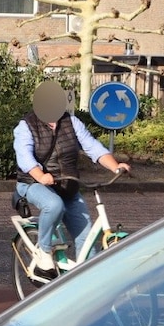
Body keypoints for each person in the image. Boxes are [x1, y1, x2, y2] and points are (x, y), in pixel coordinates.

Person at [14, 81, 130, 277]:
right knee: (53, 204)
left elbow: (93, 147)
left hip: (68, 184)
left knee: (88, 238)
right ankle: (44, 250)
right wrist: (41, 175)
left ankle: (87, 284)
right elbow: (25, 157)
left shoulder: (72, 123)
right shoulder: (25, 126)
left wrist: (115, 166)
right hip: (33, 183)